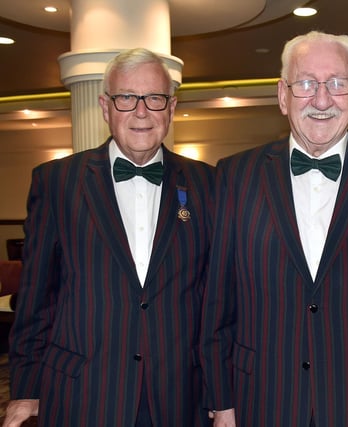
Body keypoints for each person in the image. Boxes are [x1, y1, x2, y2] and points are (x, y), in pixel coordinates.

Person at [199, 31, 348, 426]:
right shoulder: (235, 175)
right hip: (262, 401)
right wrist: (221, 401)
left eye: (337, 84)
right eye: (307, 83)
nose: (322, 100)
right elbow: (218, 303)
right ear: (282, 95)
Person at [4, 48, 214, 427]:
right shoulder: (56, 182)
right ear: (105, 106)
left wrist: (221, 392)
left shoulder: (209, 184)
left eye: (154, 98)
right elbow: (37, 297)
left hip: (181, 396)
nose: (141, 111)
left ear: (171, 106)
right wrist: (25, 388)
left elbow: (216, 298)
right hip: (83, 393)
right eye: (126, 98)